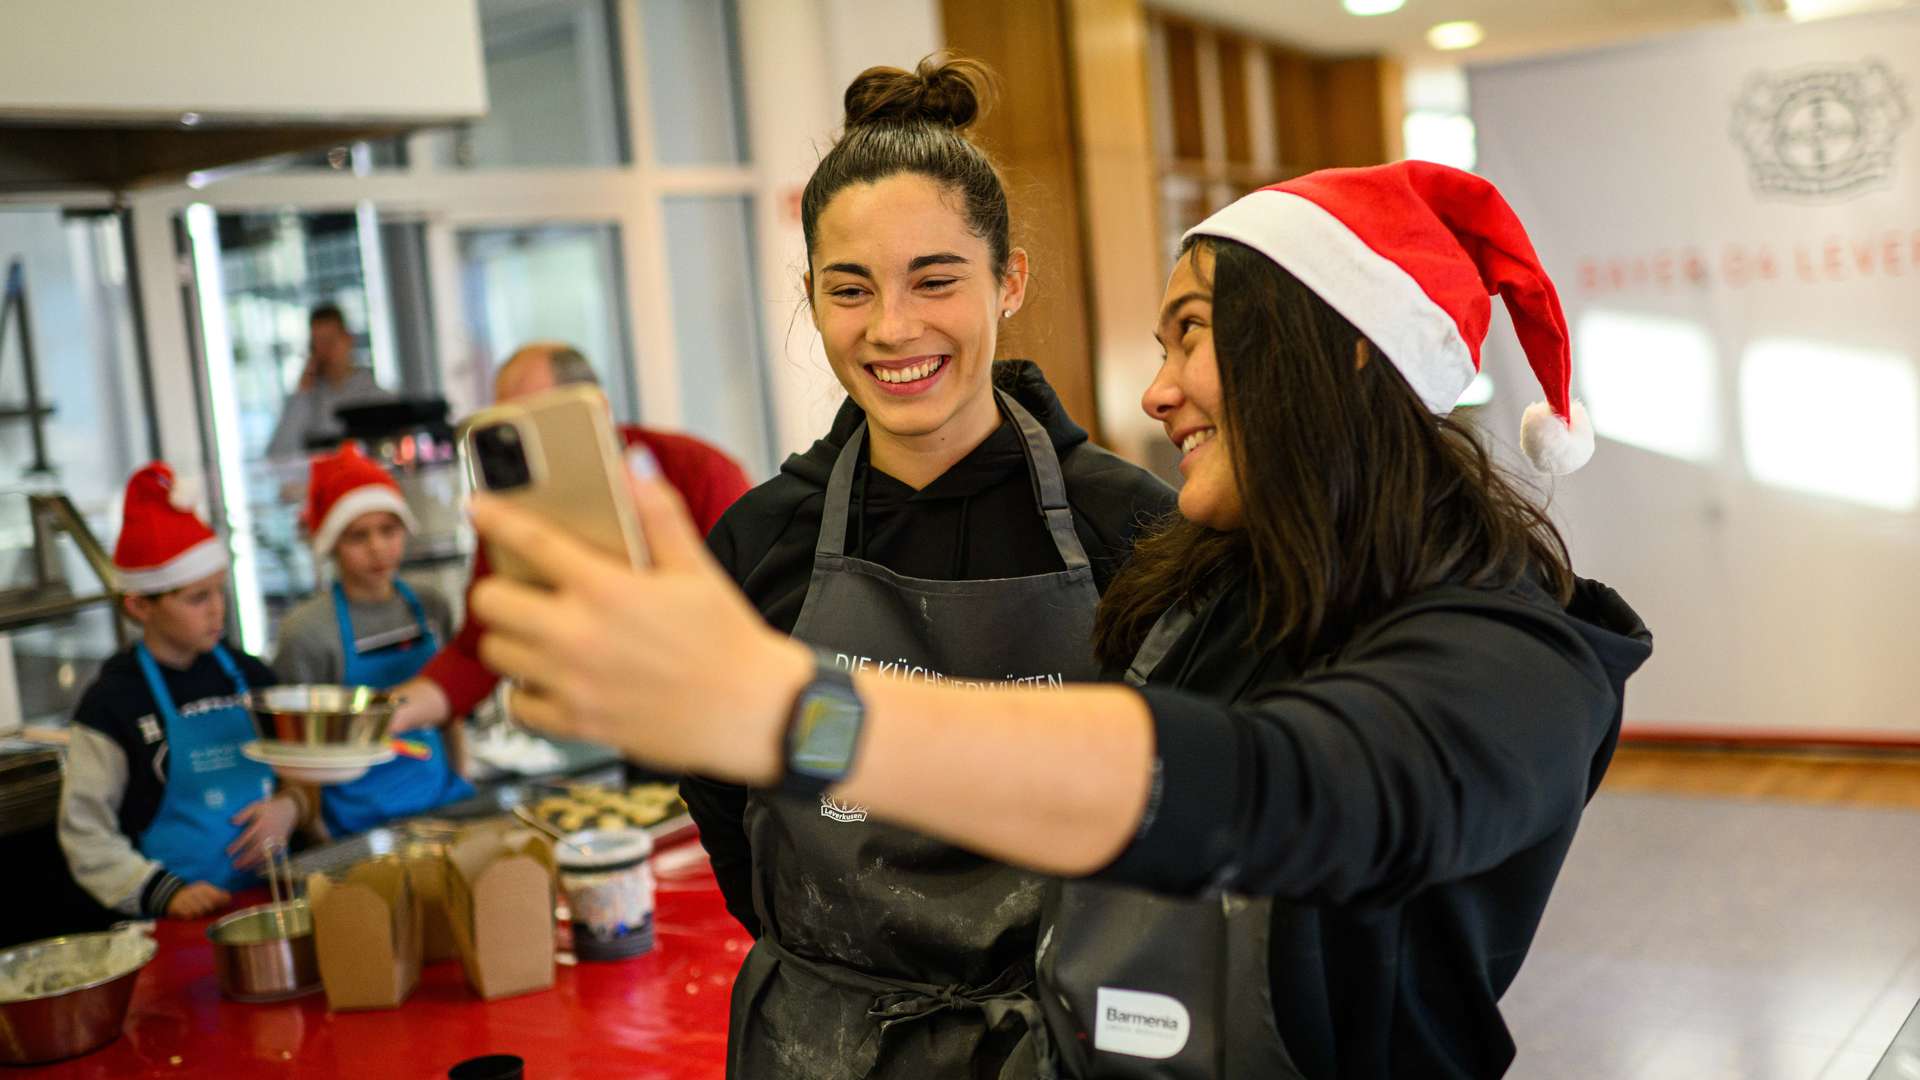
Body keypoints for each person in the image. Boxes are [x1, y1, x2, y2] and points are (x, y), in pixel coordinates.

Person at [466, 160, 1654, 1079]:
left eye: (1193, 332)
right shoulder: (1211, 586)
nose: (1156, 391)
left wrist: (792, 715)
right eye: (850, 287)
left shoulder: (1521, 658)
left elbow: (1283, 791)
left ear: (1344, 354)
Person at [671, 56, 1173, 1079]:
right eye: (849, 288)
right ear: (812, 299)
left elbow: (1194, 792)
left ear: (1010, 280)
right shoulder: (761, 544)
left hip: (1068, 1042)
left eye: (935, 280)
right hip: (821, 1042)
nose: (893, 328)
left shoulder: (1129, 526)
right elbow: (725, 799)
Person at [385, 342, 752, 739]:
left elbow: (751, 615)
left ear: (597, 409)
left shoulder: (699, 473)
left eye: (538, 420)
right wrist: (386, 716)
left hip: (722, 717)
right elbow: (477, 651)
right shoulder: (514, 511)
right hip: (606, 726)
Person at [58, 464, 305, 920]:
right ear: (139, 605)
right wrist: (164, 892)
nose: (217, 611)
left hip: (272, 897)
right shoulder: (112, 703)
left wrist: (290, 807)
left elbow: (303, 764)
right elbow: (85, 831)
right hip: (179, 919)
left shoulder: (251, 675)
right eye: (197, 598)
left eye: (219, 592)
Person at [273, 443, 471, 835]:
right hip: (356, 819)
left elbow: (451, 710)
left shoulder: (430, 606)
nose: (378, 548)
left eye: (388, 530)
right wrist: (321, 836)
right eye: (358, 537)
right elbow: (299, 751)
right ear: (331, 545)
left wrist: (463, 781)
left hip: (439, 800)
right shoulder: (308, 631)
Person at [265, 302, 394, 459]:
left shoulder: (378, 398)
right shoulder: (306, 399)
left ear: (348, 340)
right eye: (317, 344)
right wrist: (301, 393)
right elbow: (277, 455)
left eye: (330, 341)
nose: (325, 351)